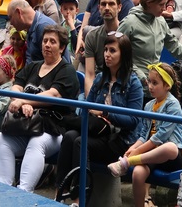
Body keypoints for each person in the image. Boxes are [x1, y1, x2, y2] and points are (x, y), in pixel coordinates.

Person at [0, 25, 79, 191]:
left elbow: (53, 94)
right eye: (45, 41)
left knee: (37, 142)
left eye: (52, 42)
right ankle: (4, 190)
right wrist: (22, 101)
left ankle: (24, 192)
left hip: (53, 130)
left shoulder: (67, 70)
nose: (47, 44)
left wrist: (25, 102)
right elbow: (15, 86)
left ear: (62, 48)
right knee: (3, 139)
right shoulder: (33, 66)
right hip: (26, 125)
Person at [57, 32, 144, 192]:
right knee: (69, 136)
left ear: (123, 54)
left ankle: (80, 196)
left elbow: (133, 121)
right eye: (105, 50)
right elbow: (87, 107)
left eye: (112, 50)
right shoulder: (99, 79)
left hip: (121, 140)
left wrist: (105, 113)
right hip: (98, 133)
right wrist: (89, 112)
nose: (107, 54)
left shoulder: (133, 83)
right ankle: (60, 191)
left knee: (80, 142)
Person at [107, 62, 182, 207]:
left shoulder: (173, 104)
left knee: (169, 147)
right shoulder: (148, 105)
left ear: (167, 86)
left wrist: (137, 152)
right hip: (152, 154)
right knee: (138, 173)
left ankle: (127, 162)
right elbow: (144, 134)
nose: (150, 86)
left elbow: (161, 136)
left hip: (173, 157)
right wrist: (133, 148)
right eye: (149, 82)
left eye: (155, 83)